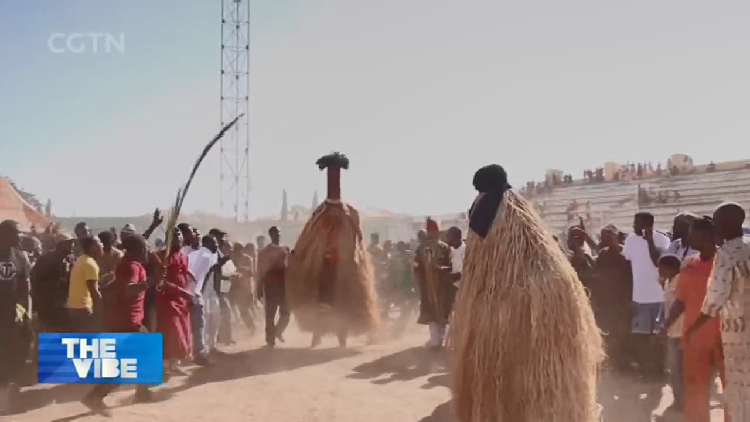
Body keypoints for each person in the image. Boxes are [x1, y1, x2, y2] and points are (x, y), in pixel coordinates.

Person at [449, 165, 602, 422]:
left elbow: (479, 265)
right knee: (547, 374)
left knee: (510, 374)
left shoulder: (487, 207)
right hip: (556, 295)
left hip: (517, 302)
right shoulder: (521, 210)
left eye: (478, 189)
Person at [286, 152, 380, 348]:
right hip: (322, 267)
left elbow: (358, 239)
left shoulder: (350, 213)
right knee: (320, 304)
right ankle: (317, 336)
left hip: (345, 268)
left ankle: (341, 339)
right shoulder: (320, 213)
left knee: (343, 304)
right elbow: (307, 236)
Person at [686, 202, 750, 420]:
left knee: (741, 389)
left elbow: (714, 300)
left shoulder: (726, 255)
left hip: (738, 334)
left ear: (725, 224)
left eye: (716, 223)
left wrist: (693, 329)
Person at [82, 234, 156, 415]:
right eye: (145, 247)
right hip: (128, 323)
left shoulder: (126, 264)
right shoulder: (132, 267)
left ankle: (142, 392)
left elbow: (117, 285)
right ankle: (94, 397)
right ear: (138, 250)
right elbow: (129, 289)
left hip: (126, 320)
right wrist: (149, 282)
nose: (148, 250)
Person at [663, 217, 725, 422]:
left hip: (725, 338)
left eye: (694, 234)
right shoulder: (690, 264)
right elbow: (680, 300)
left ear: (708, 236)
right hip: (694, 340)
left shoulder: (726, 262)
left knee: (732, 391)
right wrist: (666, 324)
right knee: (696, 393)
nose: (689, 238)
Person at [623, 211, 671, 376]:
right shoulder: (630, 240)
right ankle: (645, 370)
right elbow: (627, 267)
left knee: (658, 338)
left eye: (638, 223)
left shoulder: (662, 240)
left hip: (659, 297)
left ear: (648, 225)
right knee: (641, 336)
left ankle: (659, 369)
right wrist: (629, 294)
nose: (634, 225)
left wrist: (649, 241)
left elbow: (659, 263)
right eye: (634, 222)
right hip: (639, 297)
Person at [0, 220, 33, 414]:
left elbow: (25, 288)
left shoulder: (21, 257)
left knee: (9, 354)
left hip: (11, 315)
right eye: (15, 233)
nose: (19, 237)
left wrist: (27, 314)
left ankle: (4, 399)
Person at [154, 228, 194, 375]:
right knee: (172, 330)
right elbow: (161, 281)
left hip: (181, 299)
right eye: (173, 236)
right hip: (166, 299)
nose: (177, 238)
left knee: (182, 330)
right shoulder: (162, 256)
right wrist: (183, 292)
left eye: (179, 235)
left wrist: (189, 292)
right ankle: (164, 364)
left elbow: (185, 275)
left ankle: (174, 363)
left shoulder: (184, 255)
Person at [593, 224, 633, 371]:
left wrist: (628, 299)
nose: (606, 239)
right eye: (603, 236)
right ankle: (613, 361)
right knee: (610, 330)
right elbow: (598, 275)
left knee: (622, 330)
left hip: (622, 297)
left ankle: (623, 361)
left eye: (609, 236)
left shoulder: (625, 253)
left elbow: (631, 278)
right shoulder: (603, 254)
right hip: (607, 299)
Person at [415, 218, 454, 351]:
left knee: (436, 313)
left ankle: (436, 341)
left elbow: (417, 268)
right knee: (440, 313)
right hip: (440, 286)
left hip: (434, 286)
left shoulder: (422, 248)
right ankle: (439, 341)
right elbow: (450, 266)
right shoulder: (443, 247)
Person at [31, 238, 75, 332]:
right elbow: (35, 280)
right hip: (48, 303)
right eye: (69, 243)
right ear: (60, 244)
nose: (72, 246)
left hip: (64, 303)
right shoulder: (46, 259)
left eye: (73, 243)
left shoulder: (70, 259)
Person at [187, 235, 218, 366]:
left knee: (191, 325)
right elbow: (198, 277)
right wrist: (198, 293)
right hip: (193, 293)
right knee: (198, 324)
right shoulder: (207, 257)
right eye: (215, 243)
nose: (217, 245)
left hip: (185, 292)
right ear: (209, 244)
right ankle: (200, 354)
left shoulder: (194, 254)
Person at [258, 226, 290, 347]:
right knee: (270, 315)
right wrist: (259, 289)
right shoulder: (264, 252)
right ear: (270, 235)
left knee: (286, 314)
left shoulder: (286, 249)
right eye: (276, 233)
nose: (278, 235)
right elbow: (260, 272)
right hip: (270, 287)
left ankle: (278, 331)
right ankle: (270, 339)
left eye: (279, 233)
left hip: (284, 288)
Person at [67, 236, 103, 332]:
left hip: (73, 307)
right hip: (83, 308)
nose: (102, 245)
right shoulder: (90, 264)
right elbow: (93, 290)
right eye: (100, 243)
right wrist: (101, 309)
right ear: (93, 247)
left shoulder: (81, 260)